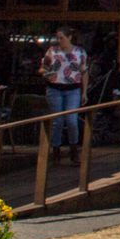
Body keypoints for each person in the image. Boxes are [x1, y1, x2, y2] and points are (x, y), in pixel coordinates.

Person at [39, 28, 86, 161]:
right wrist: (46, 73)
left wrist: (84, 92)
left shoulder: (79, 52)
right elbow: (43, 68)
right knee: (57, 121)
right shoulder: (52, 51)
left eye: (62, 38)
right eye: (58, 38)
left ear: (69, 37)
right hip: (55, 88)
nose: (59, 41)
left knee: (72, 120)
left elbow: (84, 71)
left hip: (73, 88)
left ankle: (73, 148)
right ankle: (56, 149)